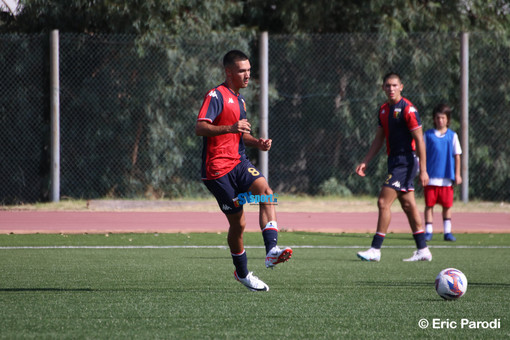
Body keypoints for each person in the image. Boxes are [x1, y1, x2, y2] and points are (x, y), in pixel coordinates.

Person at [195, 50, 292, 292]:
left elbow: (240, 134)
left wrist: (256, 142)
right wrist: (230, 126)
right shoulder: (216, 95)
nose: (247, 75)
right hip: (217, 171)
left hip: (238, 162)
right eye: (242, 70)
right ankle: (242, 274)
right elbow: (200, 127)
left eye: (249, 70)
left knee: (266, 192)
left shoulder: (240, 100)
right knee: (238, 224)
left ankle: (271, 251)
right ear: (229, 72)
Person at [355, 72, 432, 262]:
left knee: (383, 201)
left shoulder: (408, 110)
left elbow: (420, 141)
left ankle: (375, 249)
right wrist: (365, 161)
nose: (391, 89)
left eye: (394, 85)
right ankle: (423, 249)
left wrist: (423, 169)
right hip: (394, 161)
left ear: (401, 87)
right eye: (388, 85)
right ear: (383, 88)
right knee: (408, 205)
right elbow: (379, 139)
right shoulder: (383, 110)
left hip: (406, 162)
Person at [424, 103, 462, 242]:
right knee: (429, 205)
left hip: (446, 178)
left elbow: (457, 155)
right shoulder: (427, 135)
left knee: (447, 206)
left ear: (447, 119)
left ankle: (447, 232)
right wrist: (422, 172)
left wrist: (457, 174)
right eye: (438, 118)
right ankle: (428, 231)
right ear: (434, 119)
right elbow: (421, 154)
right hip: (431, 178)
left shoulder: (452, 136)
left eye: (443, 118)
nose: (440, 120)